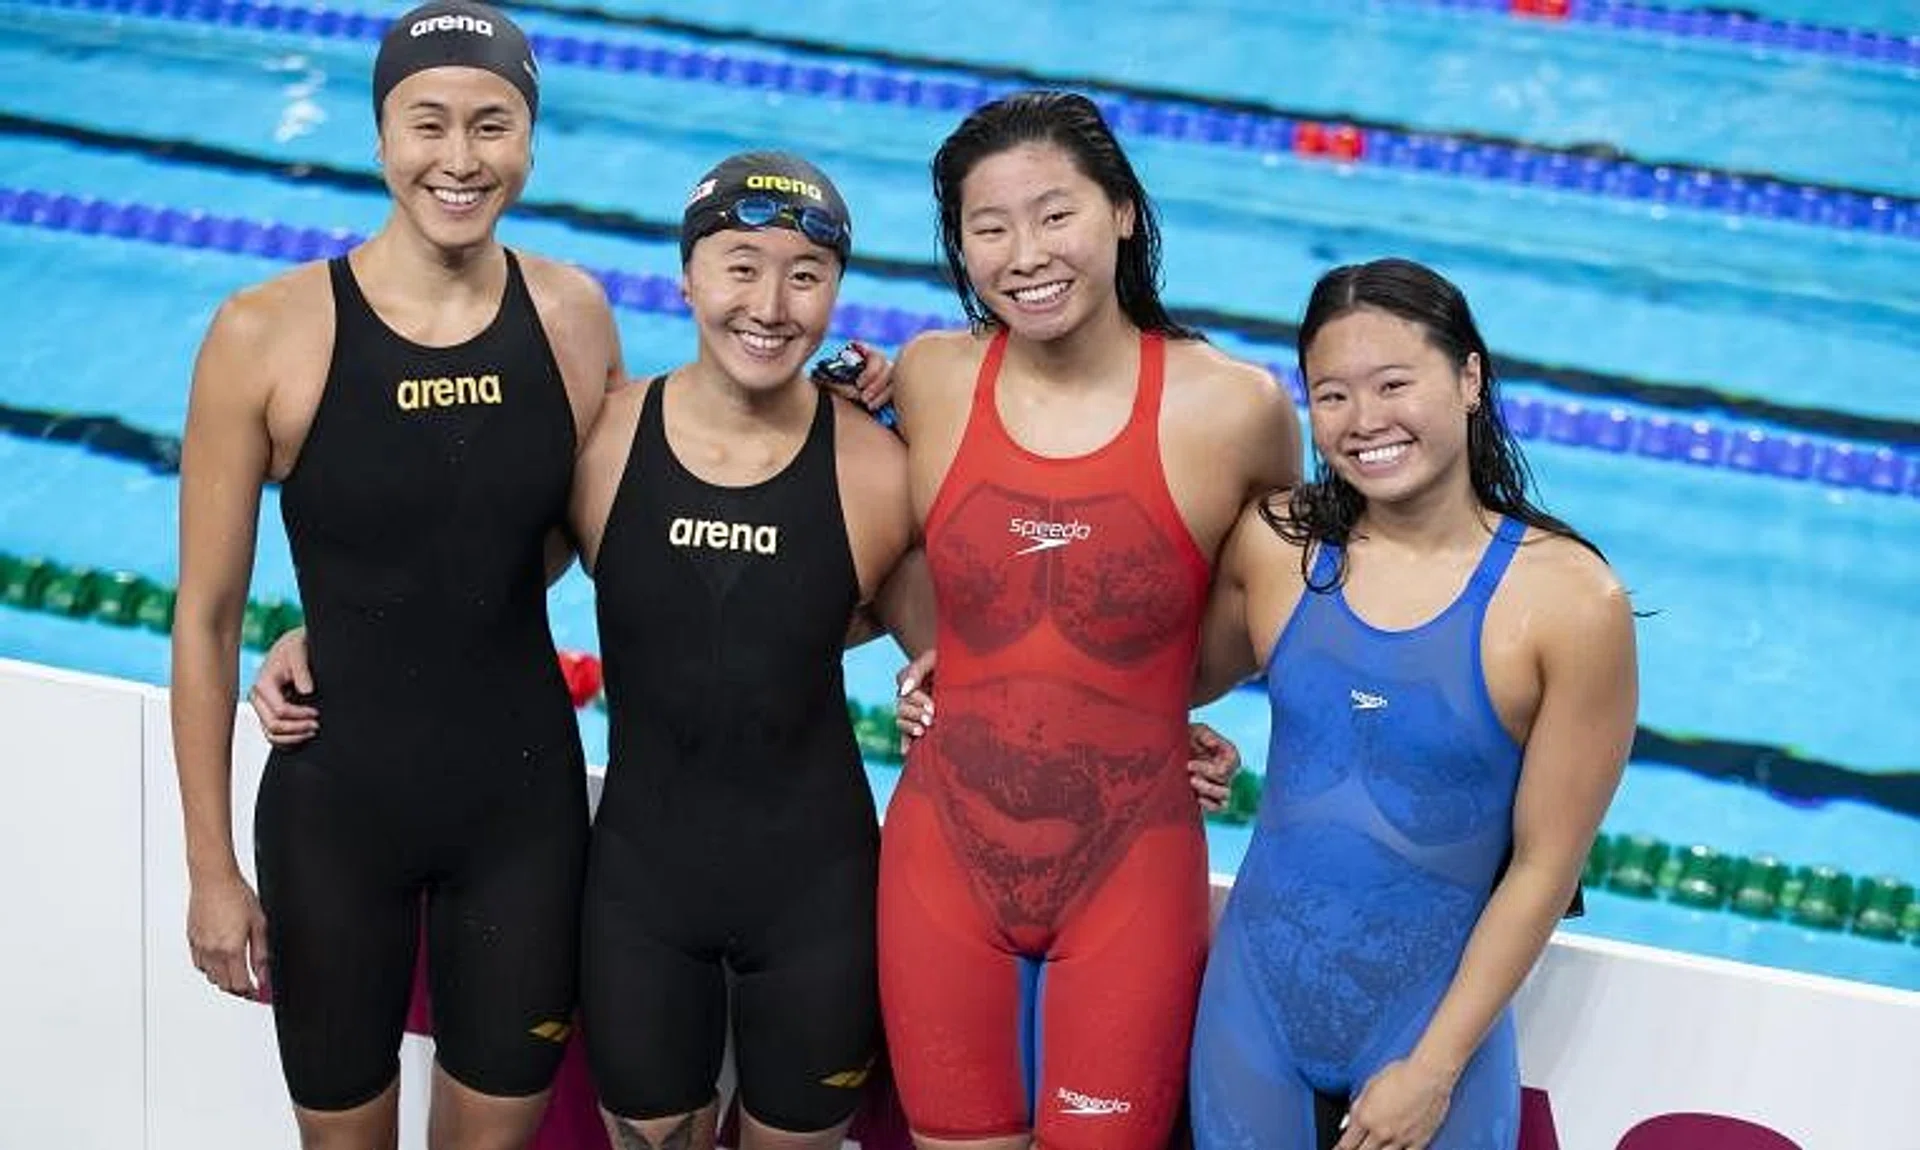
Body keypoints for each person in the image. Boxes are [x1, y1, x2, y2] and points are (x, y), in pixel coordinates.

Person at [170, 3, 622, 1146]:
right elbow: (207, 616)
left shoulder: (572, 316)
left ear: (531, 138)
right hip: (337, 819)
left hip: (520, 813)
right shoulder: (262, 333)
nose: (460, 160)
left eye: (493, 125)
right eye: (429, 124)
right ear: (380, 139)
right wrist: (211, 871)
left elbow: (587, 526)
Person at [877, 90, 1301, 1150]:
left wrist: (1167, 708)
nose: (1027, 254)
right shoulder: (929, 377)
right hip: (942, 853)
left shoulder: (1232, 408)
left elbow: (1272, 606)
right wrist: (931, 648)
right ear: (960, 249)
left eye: (1054, 213)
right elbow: (866, 537)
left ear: (1120, 210)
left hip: (1132, 864)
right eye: (990, 227)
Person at [1185, 259, 1636, 1150]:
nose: (1365, 422)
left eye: (1395, 383)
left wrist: (1433, 1070)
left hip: (1429, 1030)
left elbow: (1545, 867)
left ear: (1468, 378)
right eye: (1333, 395)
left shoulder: (1569, 603)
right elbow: (1156, 681)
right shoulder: (1281, 549)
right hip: (1252, 1012)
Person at [567, 150, 930, 1150]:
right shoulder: (602, 442)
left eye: (806, 276)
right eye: (740, 265)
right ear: (686, 276)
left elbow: (978, 654)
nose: (771, 305)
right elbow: (472, 583)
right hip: (642, 891)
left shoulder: (878, 468)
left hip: (816, 893)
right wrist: (316, 633)